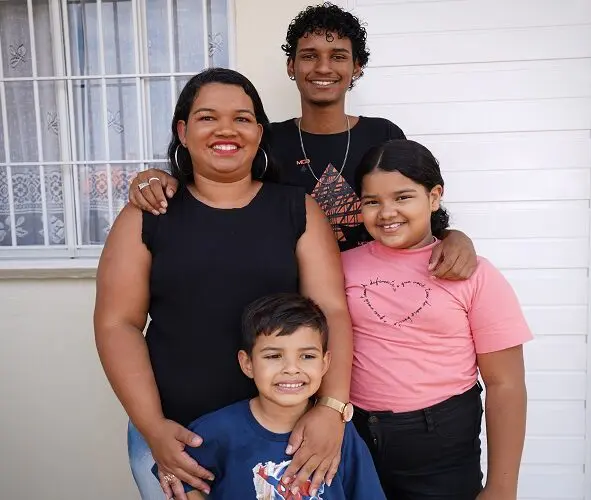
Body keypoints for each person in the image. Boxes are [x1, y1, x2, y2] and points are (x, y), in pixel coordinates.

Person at [94, 68, 354, 500]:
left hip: (283, 442)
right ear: (182, 129)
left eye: (242, 118)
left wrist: (331, 409)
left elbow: (332, 310)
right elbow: (116, 324)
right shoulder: (147, 215)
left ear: (259, 131)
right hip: (178, 439)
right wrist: (153, 427)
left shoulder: (298, 210)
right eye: (207, 117)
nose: (226, 130)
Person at [128, 3, 477, 280]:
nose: (323, 67)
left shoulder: (382, 135)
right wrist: (161, 178)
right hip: (292, 307)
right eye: (309, 55)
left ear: (357, 67)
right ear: (291, 66)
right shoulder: (267, 140)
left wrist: (455, 238)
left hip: (376, 291)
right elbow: (216, 185)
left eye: (338, 56)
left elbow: (418, 211)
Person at [343, 139, 532, 500]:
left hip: (442, 444)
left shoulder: (473, 274)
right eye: (372, 201)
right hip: (357, 438)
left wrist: (502, 487)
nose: (386, 213)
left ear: (433, 197)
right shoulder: (343, 266)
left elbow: (505, 384)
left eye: (402, 197)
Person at [154, 293, 386, 500]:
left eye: (307, 356)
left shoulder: (338, 433)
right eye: (274, 356)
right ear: (247, 364)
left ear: (325, 363)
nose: (292, 368)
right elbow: (178, 472)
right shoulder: (217, 431)